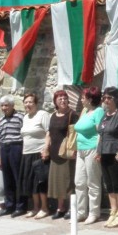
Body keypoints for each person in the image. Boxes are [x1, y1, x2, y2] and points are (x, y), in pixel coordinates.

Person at [96, 86, 118, 228]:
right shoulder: (105, 114)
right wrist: (98, 151)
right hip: (104, 153)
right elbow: (101, 134)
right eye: (104, 98)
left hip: (115, 153)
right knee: (109, 184)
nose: (106, 100)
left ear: (116, 99)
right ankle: (113, 211)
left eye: (109, 98)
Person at [45, 90, 78, 220]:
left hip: (67, 153)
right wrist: (45, 148)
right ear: (55, 101)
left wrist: (74, 150)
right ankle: (60, 207)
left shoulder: (73, 115)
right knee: (58, 182)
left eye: (65, 98)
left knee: (69, 181)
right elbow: (49, 133)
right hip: (54, 153)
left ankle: (71, 207)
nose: (63, 100)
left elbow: (75, 135)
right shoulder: (53, 115)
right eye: (60, 98)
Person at [73, 86, 104, 224]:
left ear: (90, 99)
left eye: (83, 97)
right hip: (80, 150)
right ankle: (81, 212)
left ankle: (94, 212)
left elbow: (100, 133)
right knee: (79, 182)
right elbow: (78, 129)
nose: (81, 100)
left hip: (92, 149)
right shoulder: (85, 111)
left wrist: (98, 150)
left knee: (93, 182)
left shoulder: (98, 112)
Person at [20, 92, 50, 218]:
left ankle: (45, 208)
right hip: (27, 153)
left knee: (40, 181)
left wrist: (46, 149)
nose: (28, 104)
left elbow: (49, 132)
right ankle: (35, 207)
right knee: (31, 182)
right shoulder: (25, 117)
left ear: (36, 103)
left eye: (30, 102)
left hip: (39, 153)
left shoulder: (42, 114)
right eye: (26, 102)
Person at [0, 95, 25, 217]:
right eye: (2, 105)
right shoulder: (1, 121)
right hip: (4, 148)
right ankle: (9, 205)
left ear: (12, 106)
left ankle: (20, 206)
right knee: (7, 179)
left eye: (6, 105)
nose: (4, 108)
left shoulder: (20, 117)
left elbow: (23, 133)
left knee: (17, 177)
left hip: (16, 147)